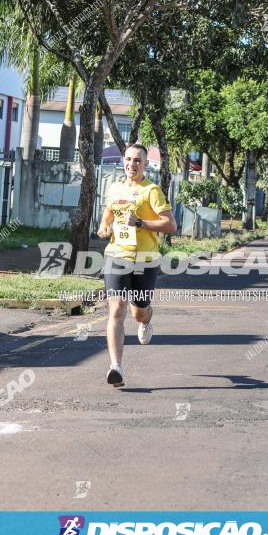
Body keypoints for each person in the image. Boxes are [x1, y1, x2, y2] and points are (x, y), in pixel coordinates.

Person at [96, 144, 177, 388]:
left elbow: (170, 225)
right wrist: (103, 227)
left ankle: (145, 319)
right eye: (128, 160)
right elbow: (108, 214)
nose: (132, 164)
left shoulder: (152, 191)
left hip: (145, 259)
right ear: (123, 161)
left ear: (145, 165)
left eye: (137, 161)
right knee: (116, 311)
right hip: (117, 256)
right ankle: (116, 367)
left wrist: (140, 222)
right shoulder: (115, 188)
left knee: (138, 310)